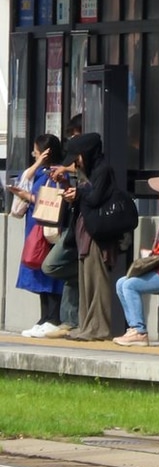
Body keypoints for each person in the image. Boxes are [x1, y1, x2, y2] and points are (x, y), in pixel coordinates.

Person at [61, 132, 132, 342]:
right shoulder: (90, 172)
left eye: (78, 157)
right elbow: (87, 196)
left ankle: (99, 328)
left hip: (98, 236)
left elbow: (93, 199)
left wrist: (79, 193)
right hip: (86, 233)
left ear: (87, 153)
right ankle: (86, 325)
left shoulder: (103, 171)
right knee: (86, 281)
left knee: (97, 281)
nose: (76, 162)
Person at [12, 135, 64, 337]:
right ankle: (44, 317)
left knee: (49, 271)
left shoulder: (56, 174)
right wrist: (38, 163)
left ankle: (53, 317)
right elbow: (24, 178)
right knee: (37, 268)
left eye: (36, 150)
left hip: (48, 229)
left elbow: (52, 201)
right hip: (35, 228)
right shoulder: (40, 171)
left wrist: (28, 197)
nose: (33, 153)